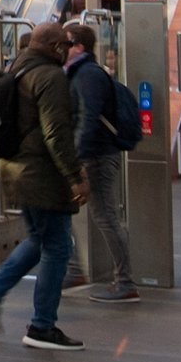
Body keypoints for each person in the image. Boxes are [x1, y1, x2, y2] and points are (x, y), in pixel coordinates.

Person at [0, 24, 90, 352]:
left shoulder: (16, 69)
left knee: (40, 239)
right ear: (52, 46)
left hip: (14, 168)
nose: (68, 49)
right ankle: (42, 326)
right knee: (59, 247)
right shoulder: (50, 77)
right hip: (42, 174)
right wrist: (75, 175)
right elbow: (56, 133)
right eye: (66, 44)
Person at [64, 24, 138, 303]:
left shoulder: (88, 75)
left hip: (97, 156)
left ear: (79, 46)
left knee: (106, 217)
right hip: (91, 154)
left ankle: (126, 282)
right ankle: (74, 269)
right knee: (69, 211)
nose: (61, 48)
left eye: (66, 43)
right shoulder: (80, 73)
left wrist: (77, 158)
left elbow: (88, 118)